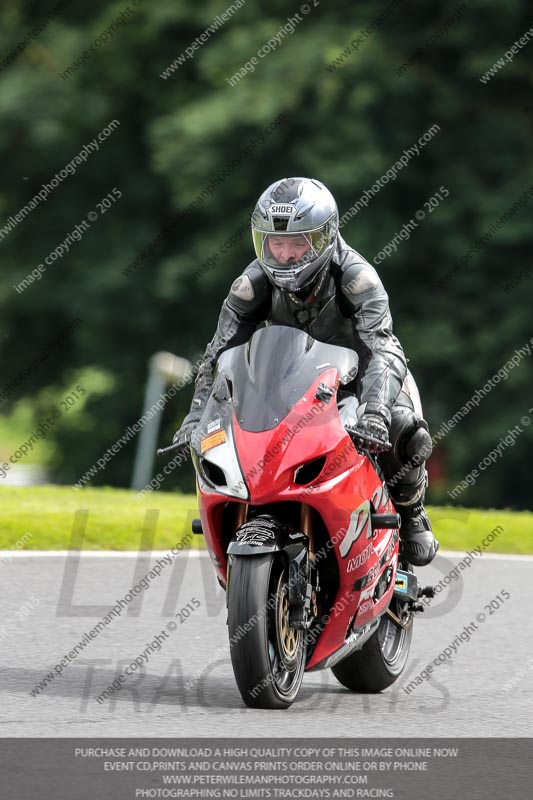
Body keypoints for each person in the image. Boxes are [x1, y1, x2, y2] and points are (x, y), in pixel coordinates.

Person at [174, 177, 438, 567]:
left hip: (363, 380)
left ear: (325, 237)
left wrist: (376, 414)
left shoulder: (356, 278)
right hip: (290, 382)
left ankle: (412, 512)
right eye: (275, 244)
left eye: (298, 244)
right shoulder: (250, 285)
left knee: (405, 428)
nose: (285, 255)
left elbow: (381, 346)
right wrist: (197, 416)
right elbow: (220, 352)